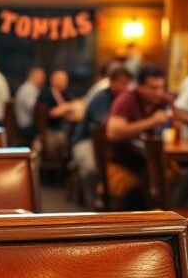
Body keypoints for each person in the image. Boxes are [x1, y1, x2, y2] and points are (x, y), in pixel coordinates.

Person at [103, 65, 170, 209]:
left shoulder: (161, 101)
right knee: (140, 192)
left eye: (161, 87)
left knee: (183, 178)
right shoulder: (126, 99)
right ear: (139, 86)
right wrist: (152, 121)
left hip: (147, 162)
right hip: (121, 163)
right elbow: (113, 132)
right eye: (153, 88)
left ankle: (170, 223)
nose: (158, 93)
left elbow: (180, 115)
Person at [72, 65, 131, 207]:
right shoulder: (102, 98)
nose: (126, 88)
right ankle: (92, 203)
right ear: (111, 82)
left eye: (128, 84)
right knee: (92, 167)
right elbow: (104, 124)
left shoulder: (125, 99)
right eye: (122, 83)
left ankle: (115, 202)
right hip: (86, 140)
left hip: (109, 144)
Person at [14, 67, 45, 140]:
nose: (43, 80)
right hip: (26, 126)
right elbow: (34, 109)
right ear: (33, 76)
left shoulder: (33, 88)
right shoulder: (28, 89)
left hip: (29, 124)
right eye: (41, 77)